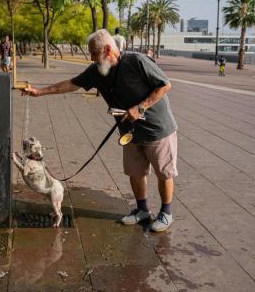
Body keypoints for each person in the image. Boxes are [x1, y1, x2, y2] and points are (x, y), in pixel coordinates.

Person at [22, 29, 178, 232]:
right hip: (130, 131)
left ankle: (166, 213)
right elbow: (71, 84)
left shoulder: (137, 61)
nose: (92, 58)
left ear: (107, 49)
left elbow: (164, 85)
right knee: (135, 172)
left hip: (157, 128)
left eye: (95, 54)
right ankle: (142, 210)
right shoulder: (97, 70)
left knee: (164, 173)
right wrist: (39, 92)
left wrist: (140, 108)